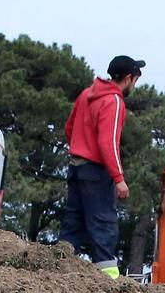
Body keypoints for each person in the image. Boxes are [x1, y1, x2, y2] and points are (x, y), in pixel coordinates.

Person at [59, 54, 143, 277]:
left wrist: (81, 148)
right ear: (128, 78)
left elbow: (69, 129)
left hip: (75, 167)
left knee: (72, 225)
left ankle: (57, 273)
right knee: (104, 227)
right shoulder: (114, 102)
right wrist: (119, 179)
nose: (134, 85)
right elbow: (108, 143)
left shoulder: (87, 94)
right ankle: (109, 285)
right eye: (135, 80)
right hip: (96, 173)